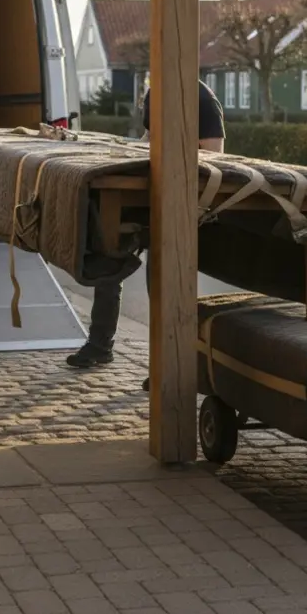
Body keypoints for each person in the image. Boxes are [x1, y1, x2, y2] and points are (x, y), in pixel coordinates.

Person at [66, 79, 226, 389]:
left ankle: (169, 367)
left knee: (163, 284)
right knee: (108, 256)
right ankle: (100, 345)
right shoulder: (156, 92)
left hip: (183, 200)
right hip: (147, 194)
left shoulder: (202, 99)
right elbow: (150, 139)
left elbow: (214, 156)